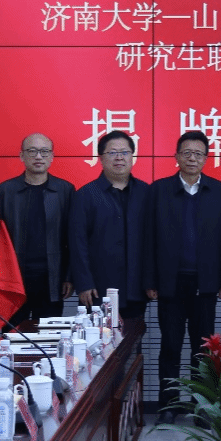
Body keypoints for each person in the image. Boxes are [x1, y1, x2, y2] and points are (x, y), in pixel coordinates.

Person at [144, 131, 221, 422]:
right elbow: (149, 238)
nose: (193, 158)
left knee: (203, 348)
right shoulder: (159, 190)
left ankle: (202, 407)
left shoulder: (218, 190)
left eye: (199, 153)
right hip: (170, 282)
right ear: (177, 156)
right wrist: (150, 280)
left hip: (205, 283)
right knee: (170, 345)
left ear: (206, 158)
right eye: (187, 153)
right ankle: (169, 405)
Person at [0, 132, 75, 326]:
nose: (38, 156)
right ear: (22, 156)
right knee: (11, 334)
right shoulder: (5, 191)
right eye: (32, 151)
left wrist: (69, 277)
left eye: (44, 152)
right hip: (14, 279)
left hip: (52, 278)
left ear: (52, 157)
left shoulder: (65, 190)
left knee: (48, 335)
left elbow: (73, 238)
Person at [69, 130, 150, 324]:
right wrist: (84, 283)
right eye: (112, 152)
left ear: (132, 156)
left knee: (133, 338)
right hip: (98, 289)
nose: (119, 157)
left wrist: (151, 282)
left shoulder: (146, 193)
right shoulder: (85, 195)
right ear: (101, 158)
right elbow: (77, 243)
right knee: (98, 339)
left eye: (125, 152)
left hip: (136, 288)